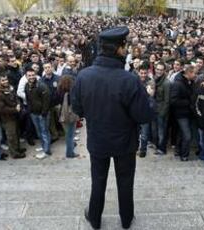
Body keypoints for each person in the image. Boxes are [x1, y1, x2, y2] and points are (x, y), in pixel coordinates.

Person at [71, 26, 154, 230]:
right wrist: (149, 99)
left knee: (97, 181)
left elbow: (77, 108)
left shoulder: (84, 76)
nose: (126, 50)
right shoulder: (130, 80)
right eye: (124, 46)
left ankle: (95, 219)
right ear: (118, 49)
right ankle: (126, 220)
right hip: (125, 142)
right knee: (125, 182)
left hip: (98, 139)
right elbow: (144, 115)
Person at [0, 75, 26, 159]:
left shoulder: (10, 88)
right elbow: (2, 109)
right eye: (3, 80)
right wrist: (15, 109)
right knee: (11, 136)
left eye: (6, 80)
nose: (5, 81)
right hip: (7, 119)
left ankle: (18, 149)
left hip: (15, 116)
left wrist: (18, 104)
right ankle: (15, 154)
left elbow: (16, 97)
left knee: (16, 134)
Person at [24, 67, 51, 159]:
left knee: (44, 132)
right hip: (33, 113)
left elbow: (47, 100)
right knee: (39, 132)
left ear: (35, 75)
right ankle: (44, 146)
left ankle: (47, 151)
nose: (31, 77)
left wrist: (44, 112)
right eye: (29, 75)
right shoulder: (27, 86)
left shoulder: (41, 86)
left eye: (33, 75)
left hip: (42, 114)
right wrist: (30, 110)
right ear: (26, 76)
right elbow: (28, 99)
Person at [58, 75, 80, 158]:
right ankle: (70, 153)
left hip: (62, 115)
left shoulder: (59, 91)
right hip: (70, 116)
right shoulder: (71, 93)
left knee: (67, 133)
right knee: (70, 135)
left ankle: (71, 146)